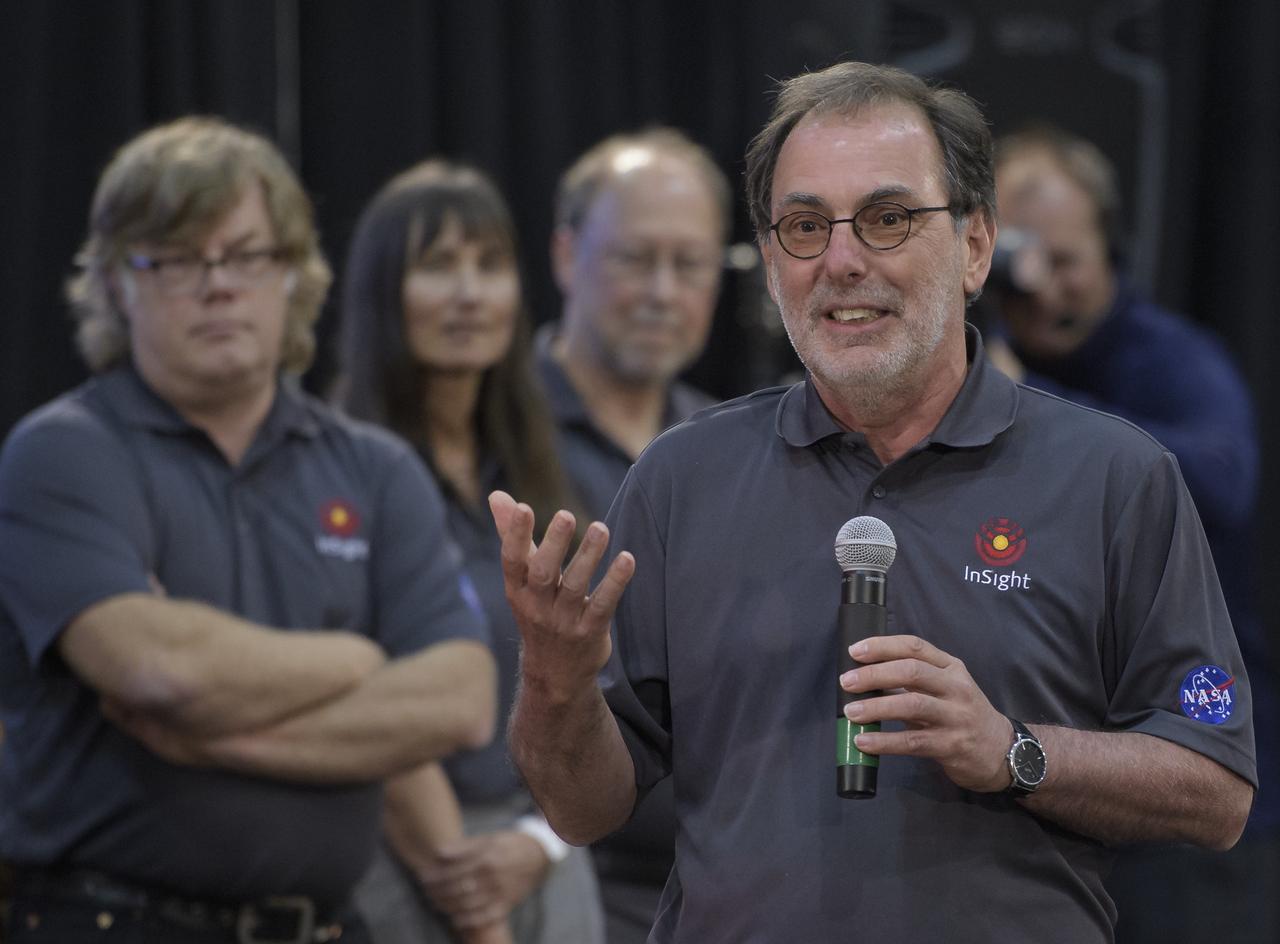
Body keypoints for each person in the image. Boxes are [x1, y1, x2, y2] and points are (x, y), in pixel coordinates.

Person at [489, 61, 1257, 943]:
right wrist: (555, 679)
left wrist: (1012, 751)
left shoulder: (1117, 478)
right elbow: (583, 810)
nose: (843, 262)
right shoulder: (680, 478)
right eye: (806, 226)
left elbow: (1216, 791)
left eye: (888, 220)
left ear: (975, 246)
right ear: (773, 261)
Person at [0, 117, 497, 944]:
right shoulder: (61, 455)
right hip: (106, 921)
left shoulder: (374, 468)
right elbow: (159, 671)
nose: (218, 286)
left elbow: (461, 703)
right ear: (119, 284)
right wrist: (359, 657)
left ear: (293, 275)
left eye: (246, 255)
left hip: (324, 927)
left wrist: (206, 738)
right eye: (177, 260)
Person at [983, 124, 1278, 944]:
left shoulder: (1169, 357)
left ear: (1114, 252)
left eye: (1066, 260)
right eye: (1017, 257)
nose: (1042, 288)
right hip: (1039, 798)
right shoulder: (970, 378)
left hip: (1189, 802)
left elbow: (1224, 481)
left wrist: (1027, 394)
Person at [337, 159, 604, 944]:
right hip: (401, 854)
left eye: (489, 266)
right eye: (437, 266)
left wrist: (540, 842)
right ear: (384, 293)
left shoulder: (544, 468)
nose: (467, 294)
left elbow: (598, 684)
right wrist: (474, 902)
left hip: (544, 853)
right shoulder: (340, 467)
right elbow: (367, 704)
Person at [536, 128, 729, 943]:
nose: (661, 290)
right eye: (633, 259)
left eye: (689, 265)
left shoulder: (732, 448)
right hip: (551, 882)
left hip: (721, 883)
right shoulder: (486, 433)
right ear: (565, 255)